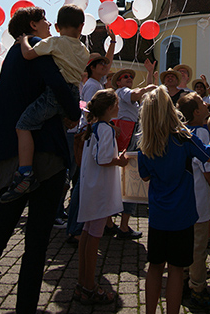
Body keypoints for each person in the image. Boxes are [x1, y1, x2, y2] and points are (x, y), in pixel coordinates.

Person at [0, 6, 81, 314]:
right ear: (32, 25)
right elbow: (61, 89)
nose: (50, 25)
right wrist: (74, 112)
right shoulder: (37, 49)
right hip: (47, 158)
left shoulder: (12, 57)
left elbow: (1, 110)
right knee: (36, 245)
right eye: (45, 21)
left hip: (14, 160)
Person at [138, 85, 210, 314]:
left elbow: (144, 175)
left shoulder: (145, 144)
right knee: (176, 269)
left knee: (155, 267)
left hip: (158, 215)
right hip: (183, 214)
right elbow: (208, 155)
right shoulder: (183, 137)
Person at [0, 4, 89, 202]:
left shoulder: (54, 43)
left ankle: (25, 173)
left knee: (24, 125)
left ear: (57, 27)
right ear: (82, 27)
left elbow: (29, 54)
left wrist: (24, 40)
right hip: (73, 93)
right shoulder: (84, 49)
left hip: (54, 94)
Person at [75, 89, 128, 304]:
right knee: (94, 238)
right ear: (109, 108)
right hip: (99, 190)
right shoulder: (105, 129)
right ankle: (89, 286)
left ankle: (82, 282)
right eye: (116, 105)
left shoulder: (94, 127)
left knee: (87, 234)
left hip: (91, 187)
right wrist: (120, 161)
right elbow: (104, 159)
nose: (118, 108)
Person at [176, 92, 210, 309]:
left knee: (187, 241)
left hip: (185, 196)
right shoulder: (203, 133)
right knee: (199, 245)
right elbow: (208, 161)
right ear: (197, 112)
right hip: (199, 195)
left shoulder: (183, 131)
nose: (207, 104)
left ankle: (185, 279)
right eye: (202, 103)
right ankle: (198, 288)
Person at [110, 64, 156, 240]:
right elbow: (139, 93)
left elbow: (142, 96)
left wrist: (150, 74)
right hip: (127, 137)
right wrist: (148, 87)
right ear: (119, 82)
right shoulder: (122, 92)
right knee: (128, 178)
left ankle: (115, 224)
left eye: (130, 76)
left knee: (125, 178)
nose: (129, 78)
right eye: (125, 77)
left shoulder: (130, 98)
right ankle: (121, 226)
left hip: (131, 136)